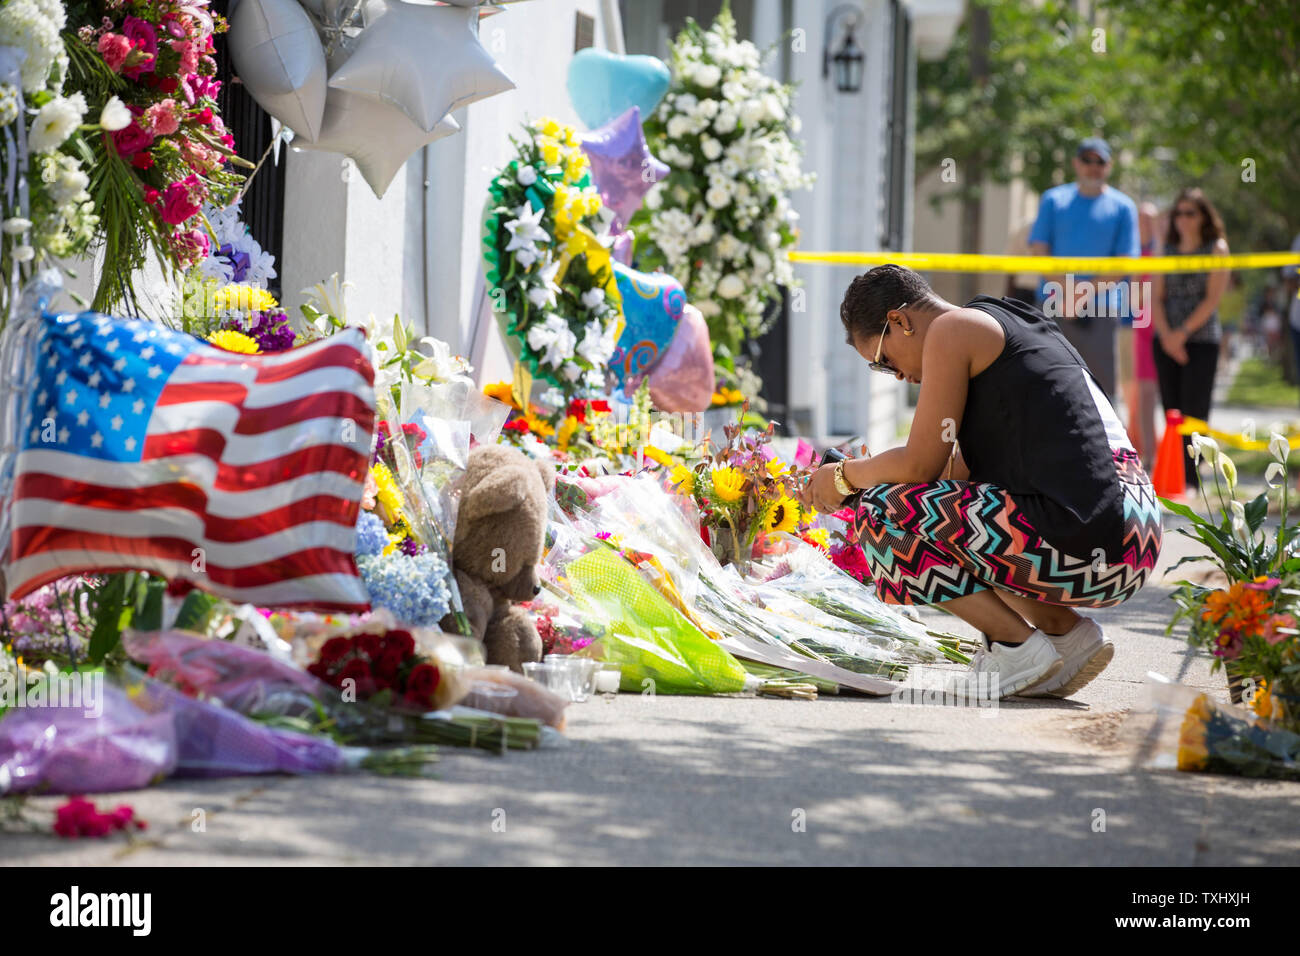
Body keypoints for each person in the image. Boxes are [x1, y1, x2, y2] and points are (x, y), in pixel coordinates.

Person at [801, 265, 1162, 700]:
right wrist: (870, 474)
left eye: (883, 360)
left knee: (878, 509)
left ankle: (1015, 648)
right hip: (1132, 535)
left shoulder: (953, 331)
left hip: (1090, 538)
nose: (896, 376)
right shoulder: (1003, 322)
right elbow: (948, 481)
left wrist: (841, 478)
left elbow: (918, 467)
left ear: (899, 322)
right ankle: (1066, 633)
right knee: (929, 515)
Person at [1029, 137, 1140, 401]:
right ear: (1076, 164)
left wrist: (1084, 293)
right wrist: (1067, 292)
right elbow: (1039, 250)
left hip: (1101, 308)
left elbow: (1125, 261)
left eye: (1099, 161)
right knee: (1046, 382)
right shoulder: (1053, 200)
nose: (1093, 167)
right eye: (1087, 160)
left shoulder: (1124, 207)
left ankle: (1103, 444)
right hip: (1053, 303)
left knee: (1100, 390)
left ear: (1109, 166)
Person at [1150, 188, 1230, 487]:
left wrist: (1181, 335)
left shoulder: (1216, 248)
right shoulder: (1165, 247)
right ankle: (1173, 477)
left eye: (1190, 213)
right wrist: (1169, 338)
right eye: (1178, 213)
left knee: (1195, 412)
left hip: (1201, 341)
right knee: (1172, 411)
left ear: (1203, 216)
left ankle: (1193, 479)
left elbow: (1212, 300)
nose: (1183, 219)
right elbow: (1156, 297)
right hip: (1166, 340)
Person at [1130, 202, 1161, 471]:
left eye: (1150, 219)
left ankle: (1166, 453)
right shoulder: (1131, 252)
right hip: (1142, 325)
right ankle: (1149, 454)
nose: (1146, 223)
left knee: (1163, 393)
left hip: (1164, 325)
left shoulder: (1162, 251)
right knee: (1145, 392)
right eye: (1141, 218)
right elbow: (1135, 296)